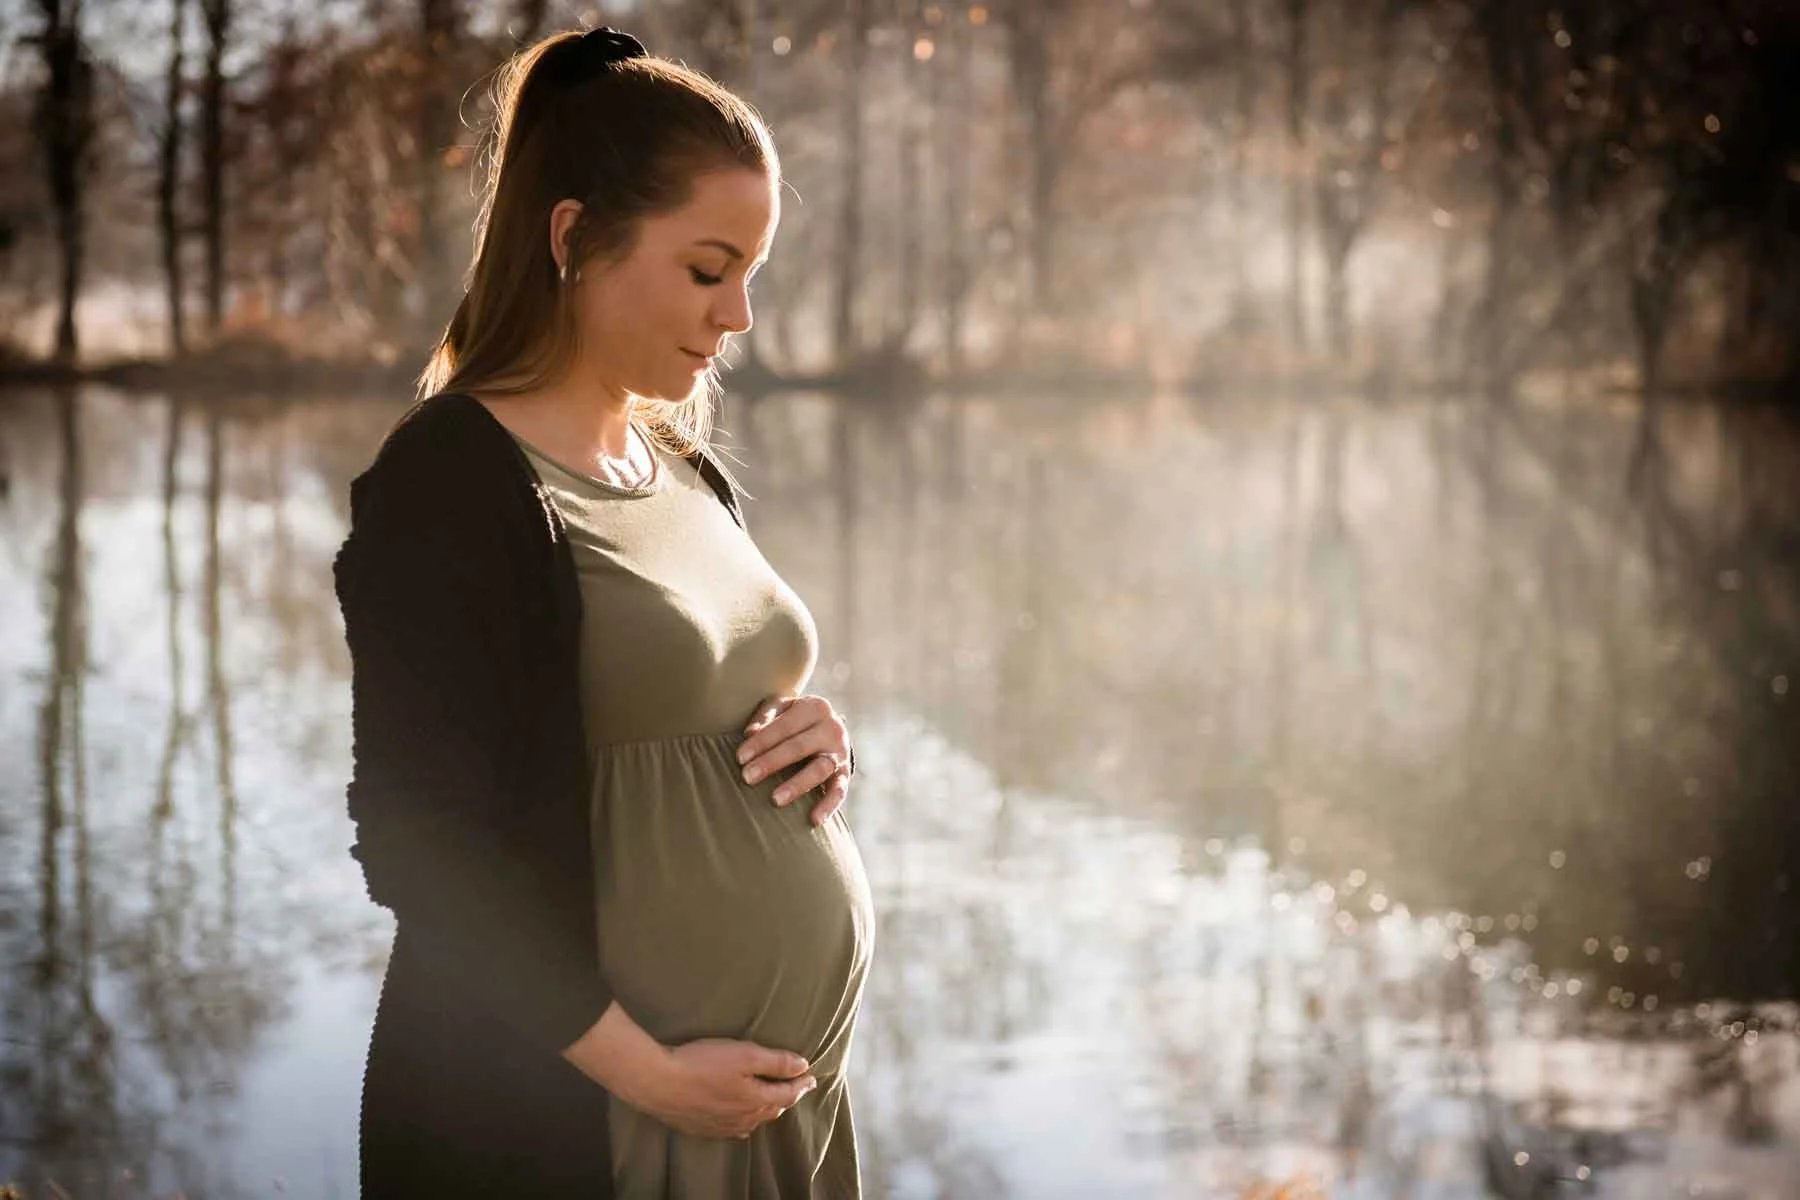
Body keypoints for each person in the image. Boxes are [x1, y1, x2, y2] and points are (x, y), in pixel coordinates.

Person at [332, 26, 874, 1198]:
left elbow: (697, 702)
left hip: (772, 1118)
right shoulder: (453, 482)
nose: (737, 316)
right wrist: (644, 1074)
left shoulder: (676, 459)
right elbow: (417, 837)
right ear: (574, 236)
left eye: (751, 274)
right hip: (594, 1129)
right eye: (705, 268)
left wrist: (815, 743)